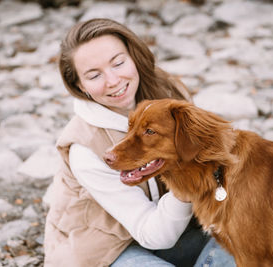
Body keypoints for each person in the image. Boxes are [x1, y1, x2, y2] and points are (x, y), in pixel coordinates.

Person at [44, 18, 236, 267]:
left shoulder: (165, 94)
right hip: (104, 252)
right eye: (94, 75)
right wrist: (187, 183)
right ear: (79, 85)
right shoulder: (84, 147)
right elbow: (153, 234)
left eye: (118, 63)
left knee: (250, 237)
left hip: (174, 228)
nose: (113, 80)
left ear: (133, 57)